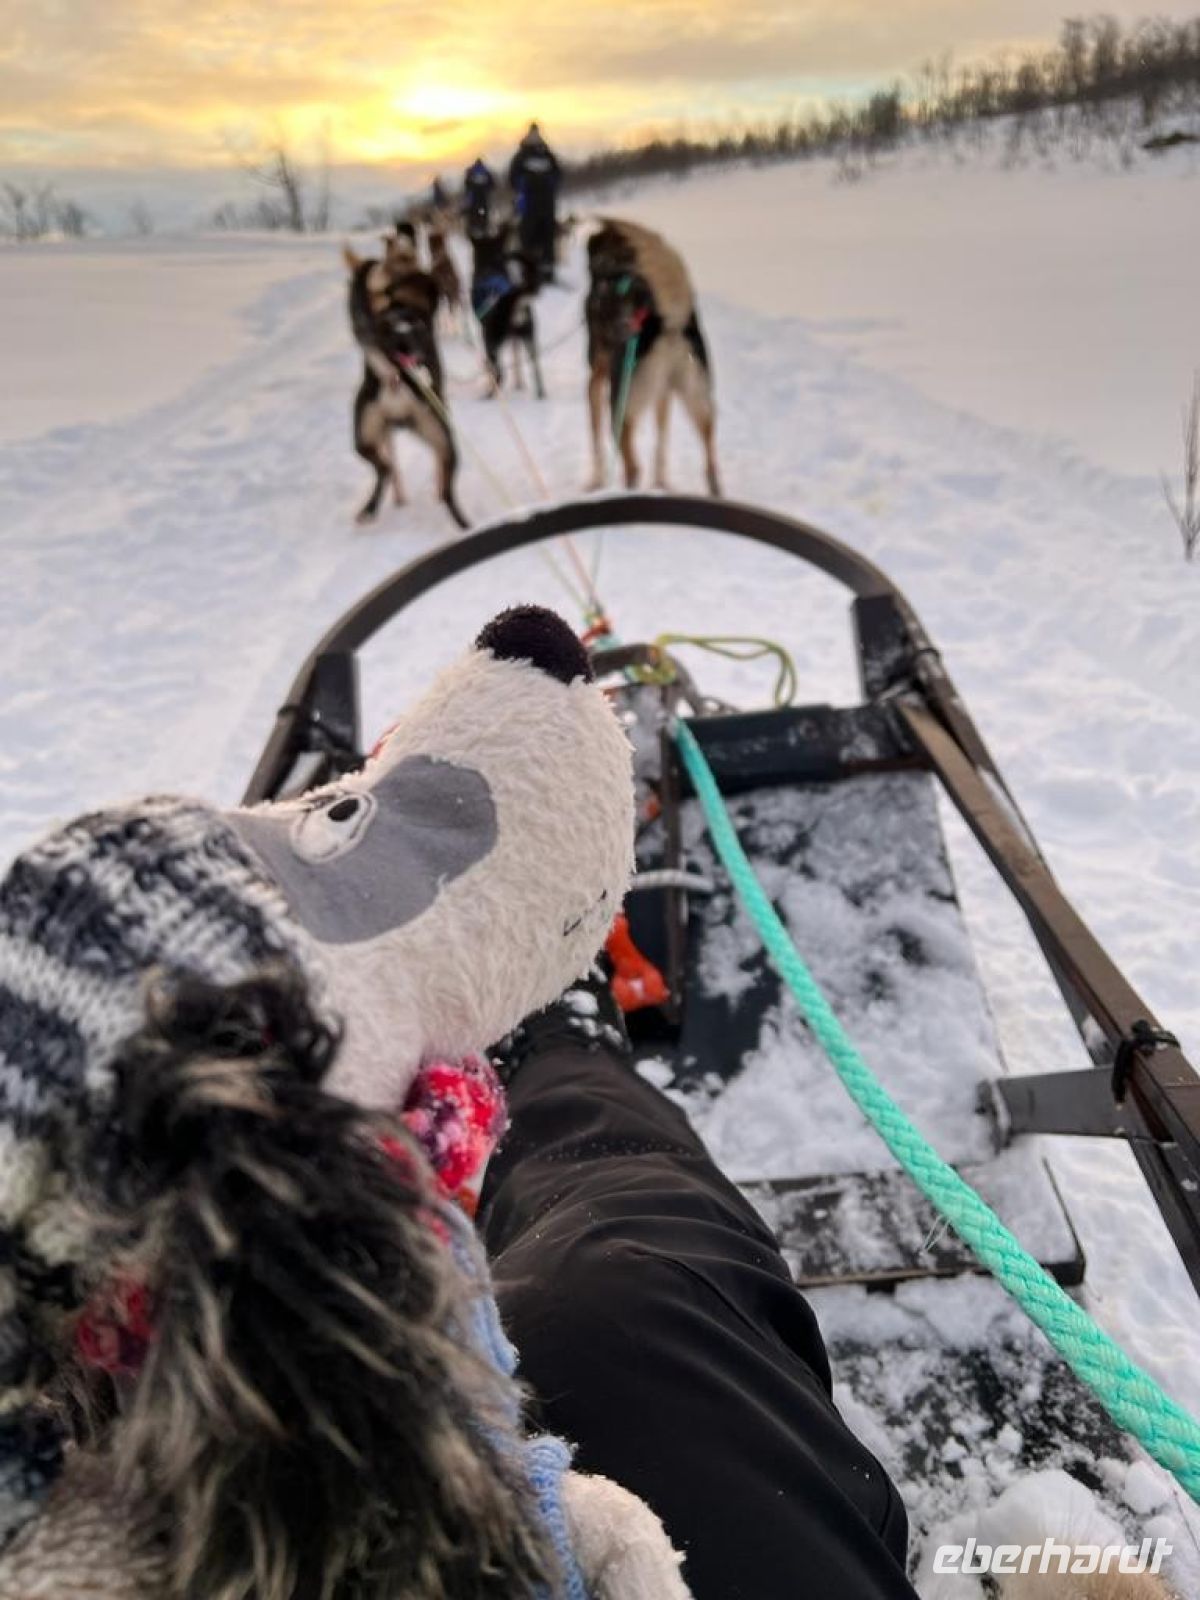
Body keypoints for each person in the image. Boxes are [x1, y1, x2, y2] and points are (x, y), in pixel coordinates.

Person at [508, 121, 561, 280]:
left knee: (548, 236)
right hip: (528, 203)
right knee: (528, 236)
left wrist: (552, 182)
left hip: (547, 203)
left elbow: (558, 174)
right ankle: (529, 269)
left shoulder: (547, 154)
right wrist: (521, 184)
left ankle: (548, 269)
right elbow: (511, 177)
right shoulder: (521, 156)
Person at [462, 154, 497, 241]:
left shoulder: (471, 171)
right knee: (482, 213)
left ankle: (476, 229)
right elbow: (492, 184)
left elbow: (466, 184)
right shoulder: (486, 171)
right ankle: (483, 228)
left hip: (474, 200)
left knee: (475, 214)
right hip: (483, 199)